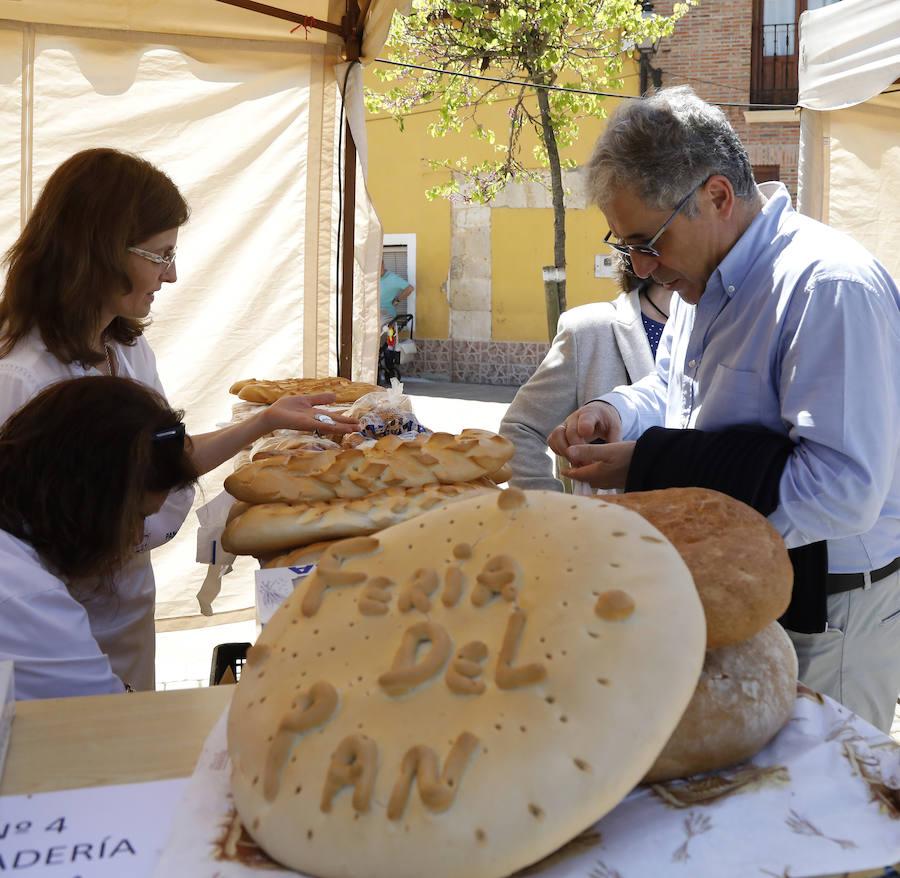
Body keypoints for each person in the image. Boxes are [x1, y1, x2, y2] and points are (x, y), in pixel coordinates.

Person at [548, 86, 900, 733]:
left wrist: (650, 464)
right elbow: (674, 394)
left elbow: (843, 489)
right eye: (627, 246)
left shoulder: (827, 287)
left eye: (648, 241)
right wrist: (614, 414)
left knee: (823, 817)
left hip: (830, 615)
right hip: (744, 587)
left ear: (716, 197)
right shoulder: (702, 279)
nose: (644, 268)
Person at [0, 147, 357, 692]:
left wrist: (264, 422)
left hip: (123, 606)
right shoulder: (22, 378)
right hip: (55, 622)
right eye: (161, 255)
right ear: (99, 252)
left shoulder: (125, 347)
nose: (172, 275)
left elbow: (164, 459)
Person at [0, 376, 200, 700]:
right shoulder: (28, 596)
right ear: (84, 500)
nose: (136, 537)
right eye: (134, 517)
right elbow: (113, 726)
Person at [499, 267, 670, 491]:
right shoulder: (590, 330)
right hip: (610, 523)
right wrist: (551, 508)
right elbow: (520, 428)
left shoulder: (722, 326)